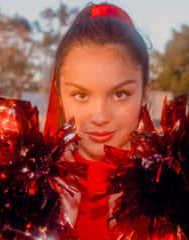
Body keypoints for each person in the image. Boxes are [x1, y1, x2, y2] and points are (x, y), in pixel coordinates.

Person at [44, 2, 150, 239]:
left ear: (145, 94)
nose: (100, 116)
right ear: (59, 95)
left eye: (120, 94)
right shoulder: (24, 189)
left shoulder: (182, 192)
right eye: (81, 95)